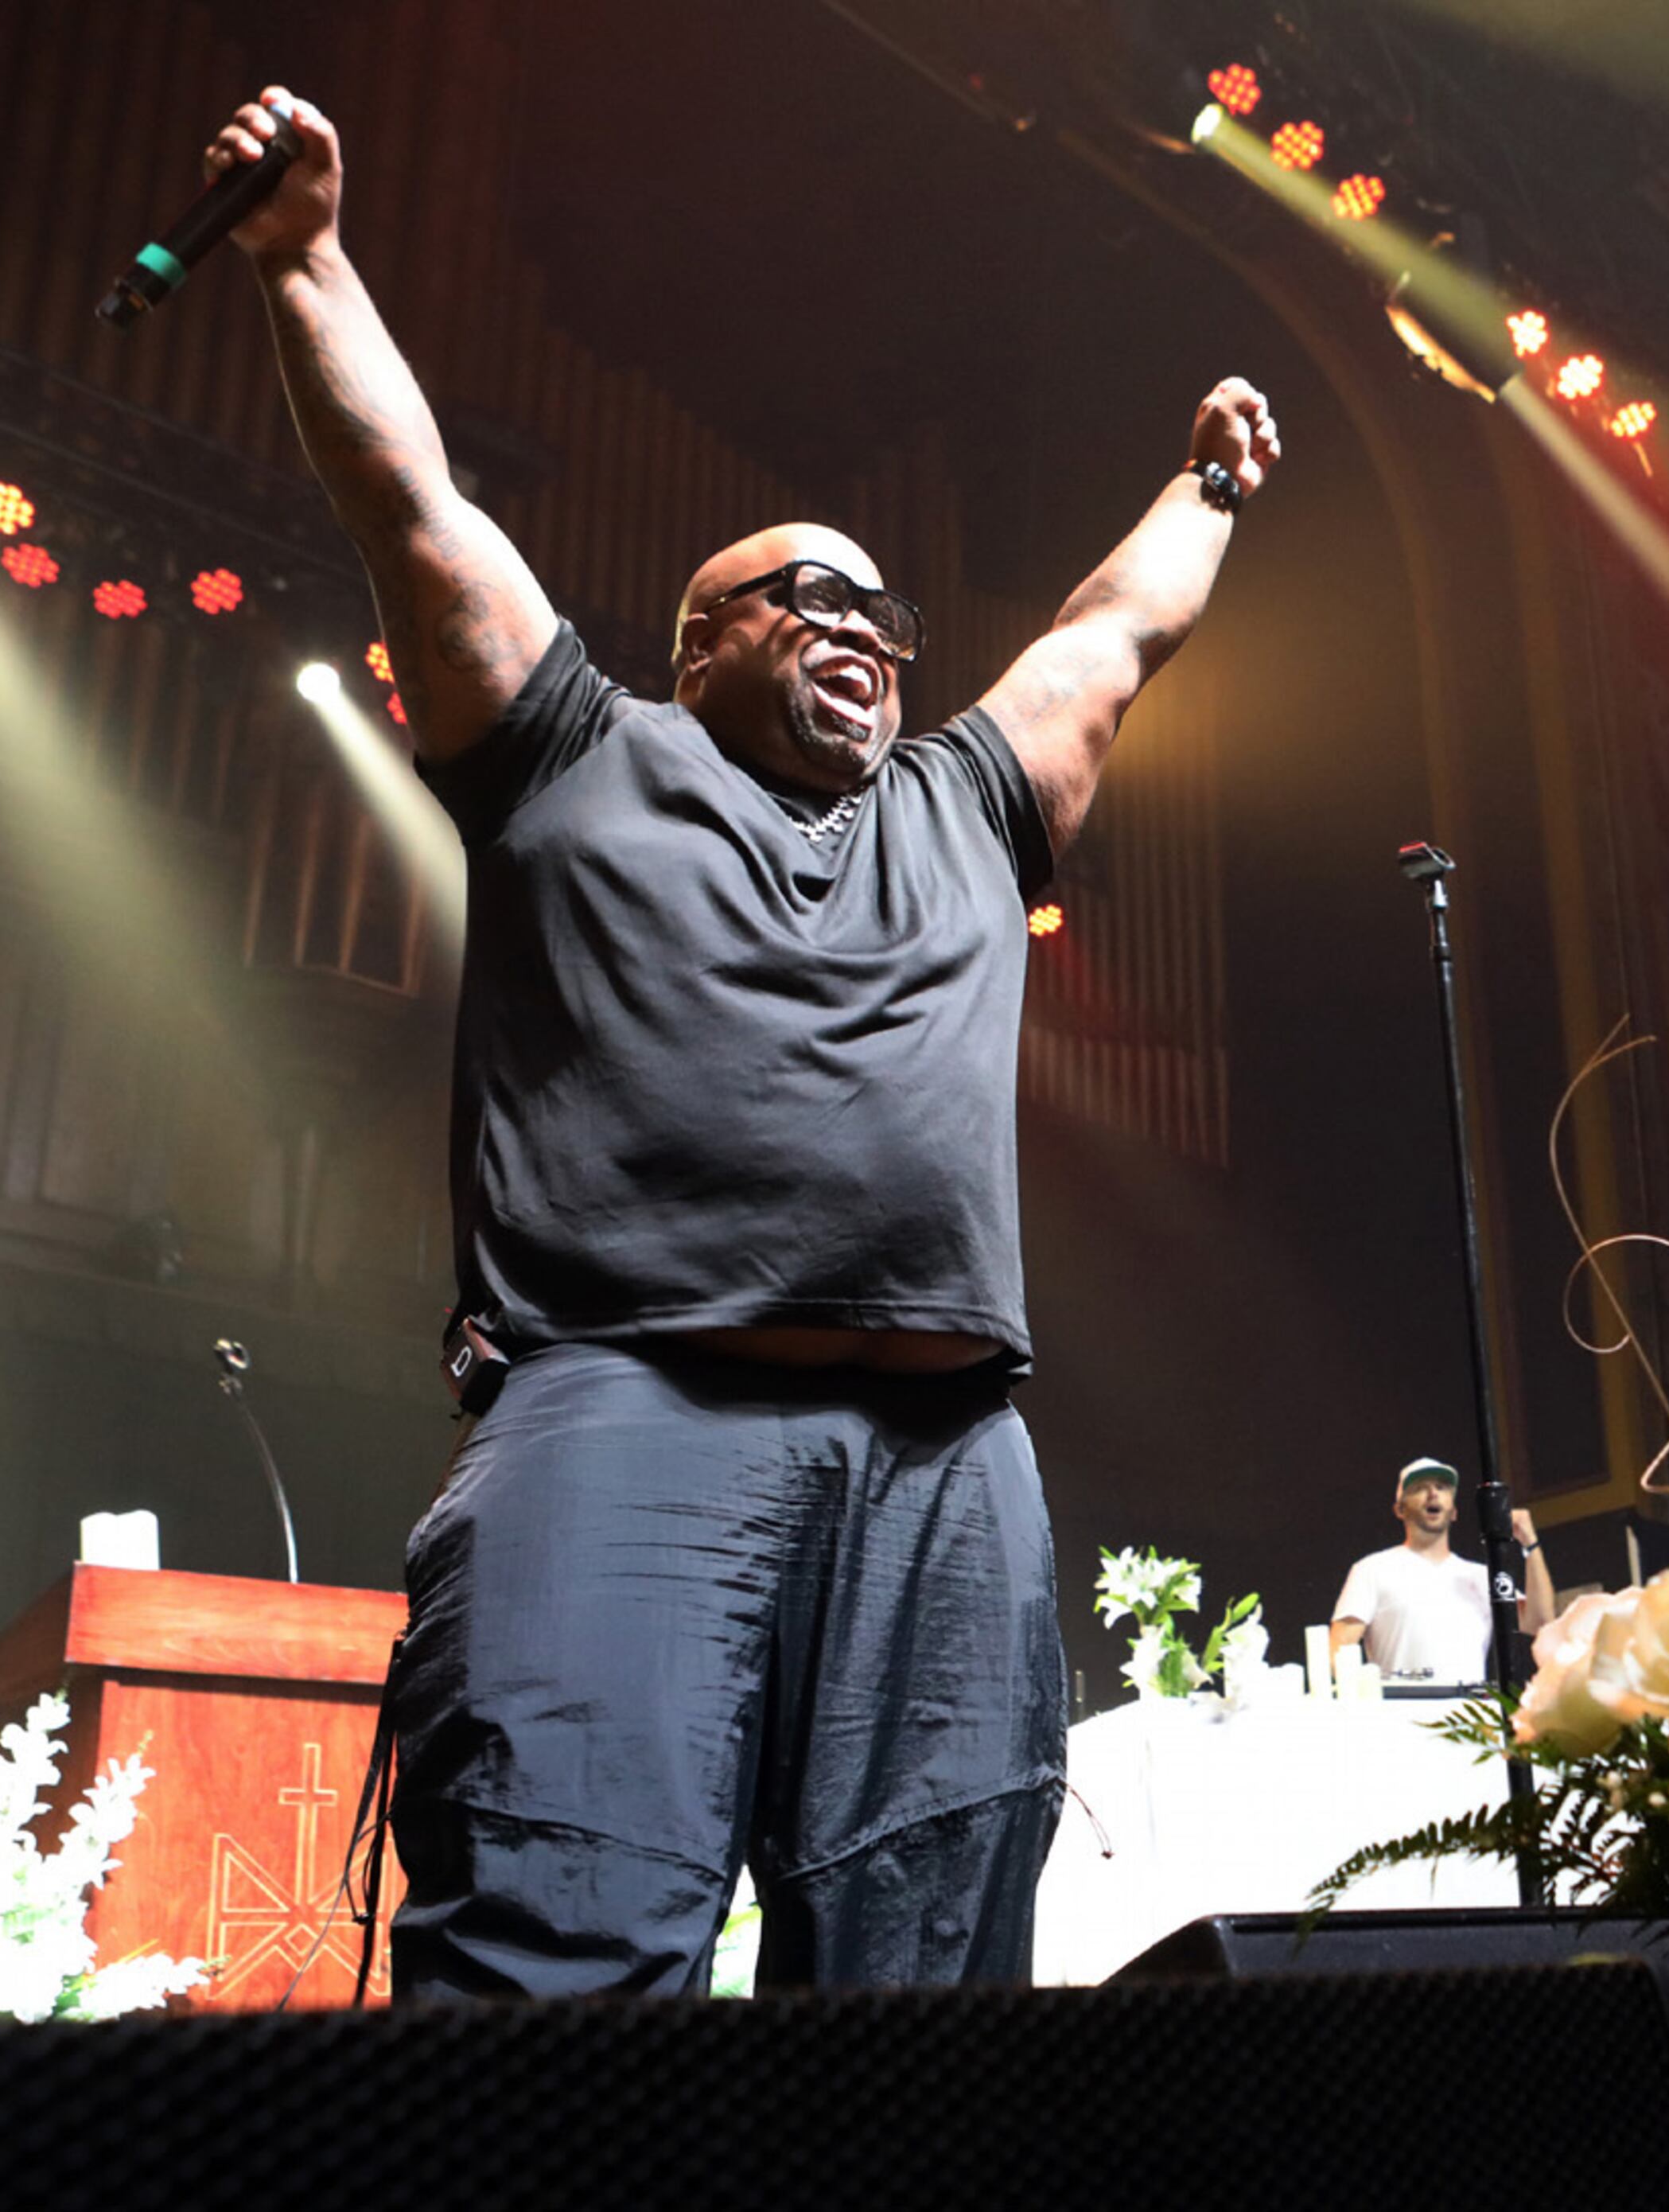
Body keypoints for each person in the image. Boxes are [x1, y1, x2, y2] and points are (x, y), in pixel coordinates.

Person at [208, 88, 1282, 1999]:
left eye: (888, 606)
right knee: (564, 1925)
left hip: (942, 1443)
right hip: (624, 1400)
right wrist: (301, 259)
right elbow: (410, 502)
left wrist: (1203, 484)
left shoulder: (960, 807)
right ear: (699, 642)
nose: (865, 622)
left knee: (928, 1963)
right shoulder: (572, 754)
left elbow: (1112, 636)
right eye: (811, 594)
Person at [1329, 1459, 1554, 1684]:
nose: (1433, 1494)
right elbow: (1337, 1656)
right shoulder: (1372, 1570)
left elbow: (1539, 1622)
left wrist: (1530, 1543)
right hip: (1399, 1715)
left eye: (1442, 1488)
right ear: (1400, 1509)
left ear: (1454, 1511)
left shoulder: (1482, 1576)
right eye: (1420, 1488)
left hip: (1471, 1714)